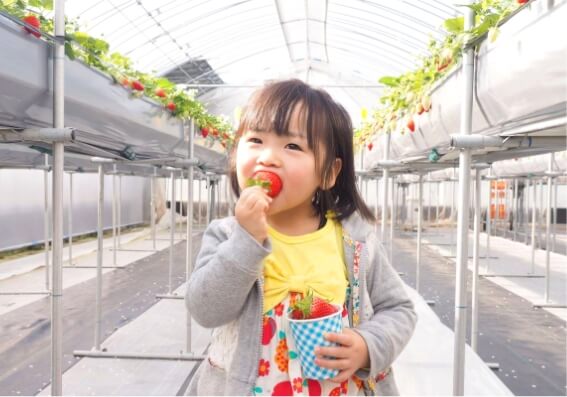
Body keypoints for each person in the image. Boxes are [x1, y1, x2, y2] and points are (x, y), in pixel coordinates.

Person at [186, 79, 416, 396]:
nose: (268, 157)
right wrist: (245, 241)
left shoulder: (354, 240)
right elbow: (205, 309)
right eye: (255, 140)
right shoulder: (226, 235)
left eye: (292, 146)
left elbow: (399, 309)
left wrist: (367, 345)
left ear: (329, 173)